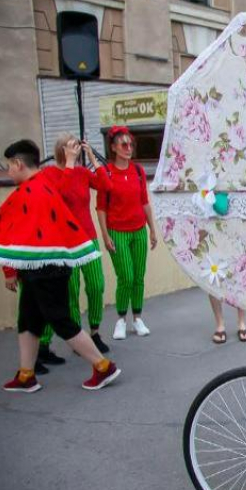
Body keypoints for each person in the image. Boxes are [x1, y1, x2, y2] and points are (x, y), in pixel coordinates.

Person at [0, 139, 120, 393]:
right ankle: (26, 375)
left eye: (8, 167)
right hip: (43, 266)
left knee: (60, 320)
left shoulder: (32, 190)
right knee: (28, 319)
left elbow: (8, 230)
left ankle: (103, 366)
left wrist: (8, 268)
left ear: (18, 163)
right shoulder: (45, 181)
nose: (8, 172)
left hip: (45, 269)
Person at [37, 135, 112, 365]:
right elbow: (58, 195)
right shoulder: (49, 173)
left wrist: (91, 156)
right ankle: (76, 338)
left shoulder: (81, 172)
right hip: (63, 243)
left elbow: (106, 186)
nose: (75, 150)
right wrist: (69, 164)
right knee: (70, 291)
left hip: (87, 239)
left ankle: (95, 331)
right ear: (61, 150)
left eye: (76, 147)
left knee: (96, 285)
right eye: (71, 147)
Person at [96, 126, 158, 341]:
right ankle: (121, 319)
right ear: (113, 147)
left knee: (138, 277)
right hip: (117, 231)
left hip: (139, 230)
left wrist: (152, 229)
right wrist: (105, 235)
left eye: (131, 144)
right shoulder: (106, 173)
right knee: (126, 277)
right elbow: (101, 208)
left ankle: (137, 318)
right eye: (124, 144)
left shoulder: (138, 171)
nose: (128, 148)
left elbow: (144, 202)